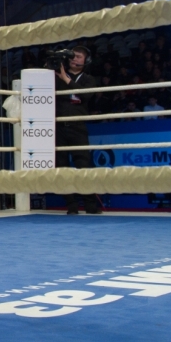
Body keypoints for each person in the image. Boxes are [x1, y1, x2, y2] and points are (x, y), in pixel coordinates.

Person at [54, 46, 101, 215]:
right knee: (62, 167)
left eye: (79, 57)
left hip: (78, 126)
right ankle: (71, 204)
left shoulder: (88, 79)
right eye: (72, 56)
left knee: (83, 165)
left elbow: (86, 96)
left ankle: (90, 203)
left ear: (86, 60)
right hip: (59, 127)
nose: (75, 59)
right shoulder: (56, 76)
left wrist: (67, 80)